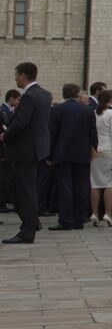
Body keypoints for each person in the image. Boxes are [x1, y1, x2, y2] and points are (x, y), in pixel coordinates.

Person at [3, 63, 54, 245]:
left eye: (17, 75)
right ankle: (32, 221)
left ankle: (27, 230)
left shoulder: (29, 96)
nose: (15, 78)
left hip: (25, 150)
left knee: (24, 190)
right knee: (15, 186)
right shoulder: (45, 94)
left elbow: (21, 123)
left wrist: (5, 136)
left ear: (23, 76)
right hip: (35, 149)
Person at [47, 83, 98, 231]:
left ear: (64, 94)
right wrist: (93, 151)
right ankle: (79, 220)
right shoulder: (88, 110)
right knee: (81, 188)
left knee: (65, 188)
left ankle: (66, 220)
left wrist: (49, 155)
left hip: (62, 154)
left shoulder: (57, 110)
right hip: (82, 155)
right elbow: (93, 134)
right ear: (77, 94)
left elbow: (52, 134)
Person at [90, 90, 112, 226]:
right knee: (110, 183)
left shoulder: (93, 113)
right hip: (109, 150)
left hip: (95, 150)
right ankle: (108, 214)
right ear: (110, 100)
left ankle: (94, 213)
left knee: (95, 183)